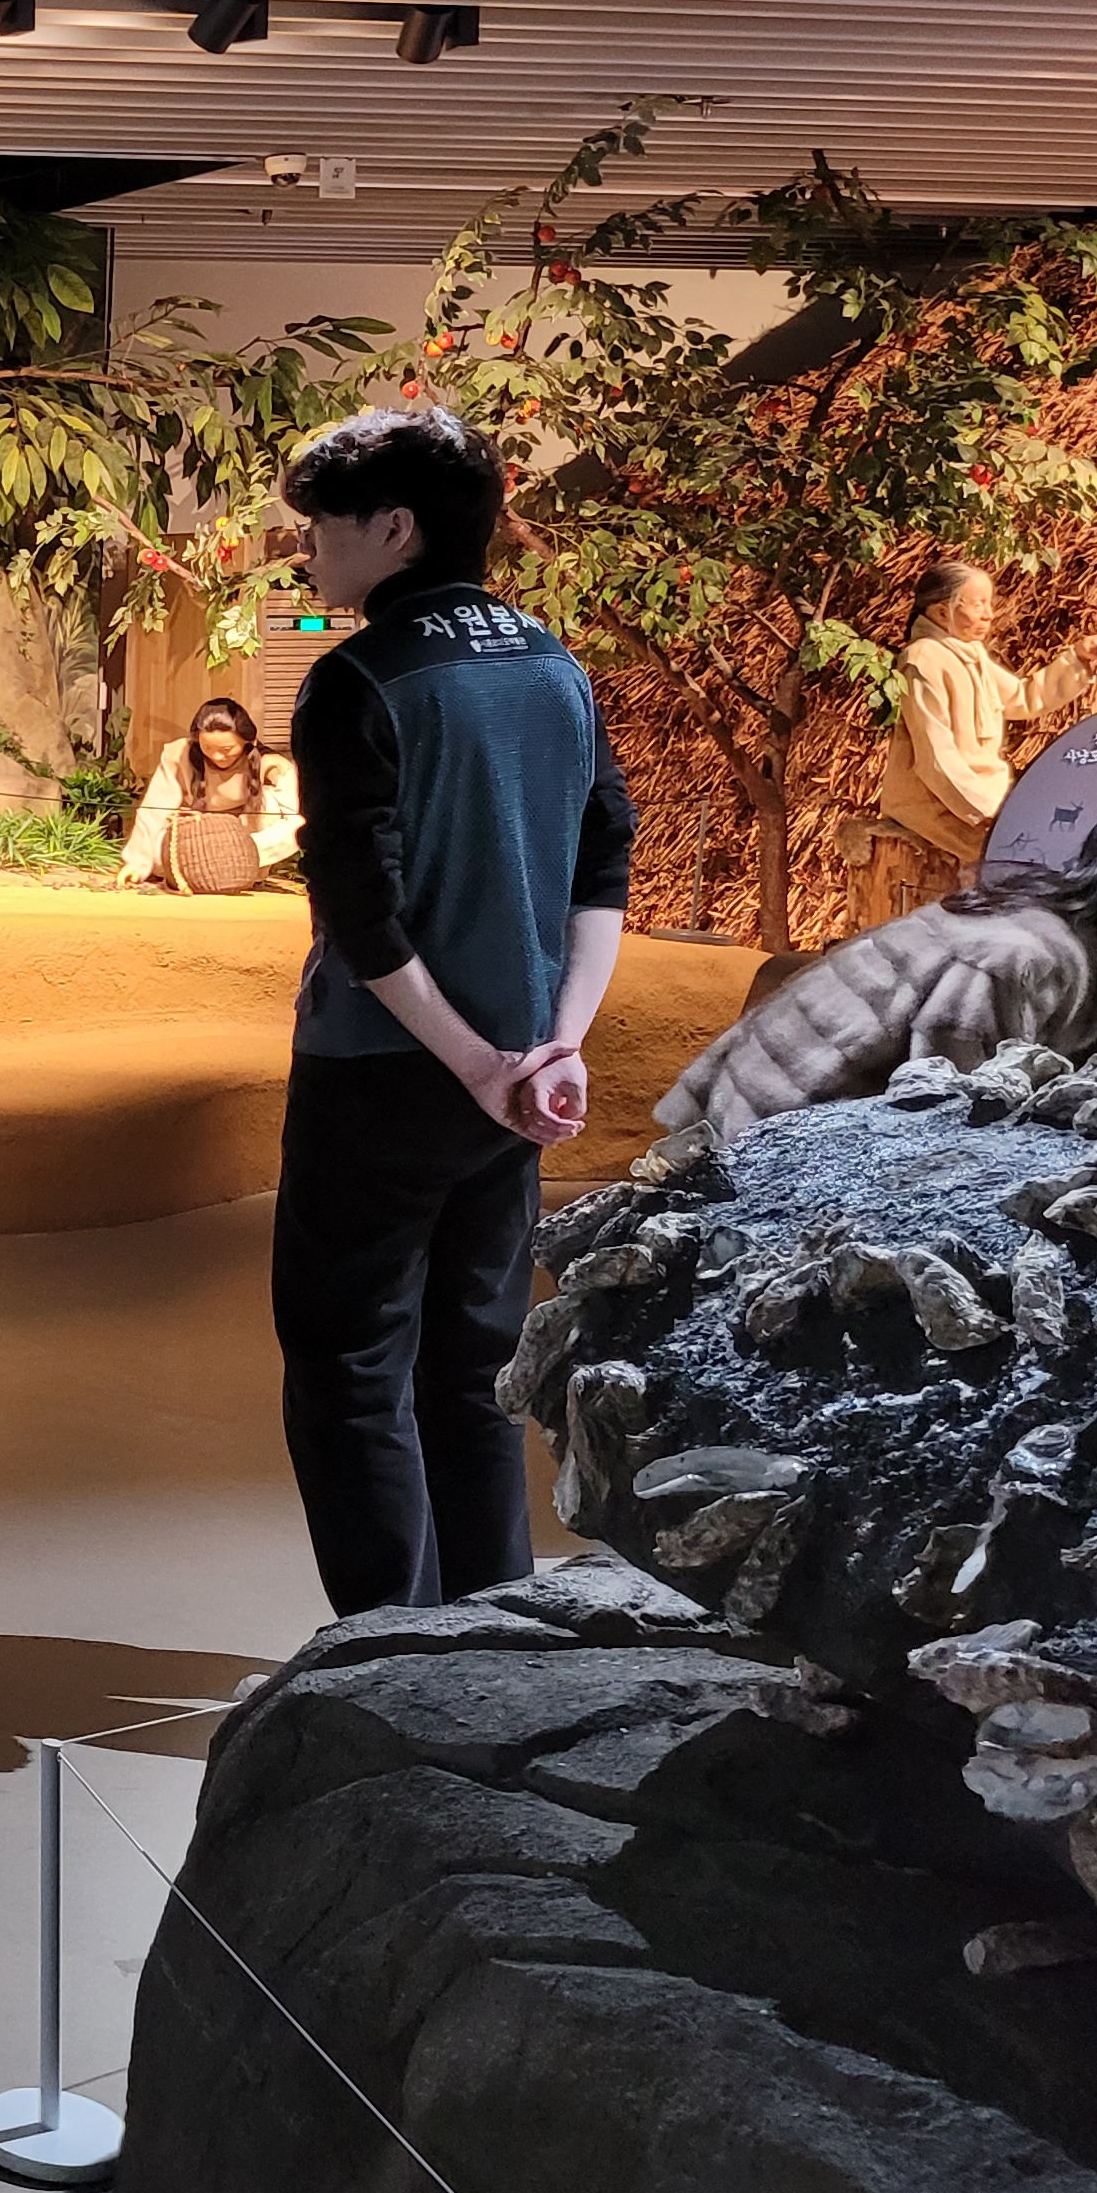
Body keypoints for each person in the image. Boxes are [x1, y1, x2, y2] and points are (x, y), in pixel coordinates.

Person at [270, 407, 637, 1621]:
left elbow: (363, 915)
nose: (309, 553)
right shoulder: (556, 667)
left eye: (323, 528)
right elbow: (603, 865)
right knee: (474, 1366)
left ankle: (389, 1648)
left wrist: (474, 1061)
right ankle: (490, 1637)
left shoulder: (358, 679)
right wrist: (554, 1045)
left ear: (395, 529)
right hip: (522, 1080)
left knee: (348, 1364)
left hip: (383, 1071)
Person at [660, 798, 1097, 1141]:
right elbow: (949, 1105)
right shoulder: (1023, 954)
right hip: (771, 1134)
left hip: (773, 1117)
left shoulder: (1053, 933)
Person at [862, 561, 1097, 926]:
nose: (989, 613)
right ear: (942, 612)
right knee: (1019, 861)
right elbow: (937, 760)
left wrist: (1079, 656)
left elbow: (1023, 697)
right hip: (937, 804)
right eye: (978, 604)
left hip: (983, 797)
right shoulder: (923, 660)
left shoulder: (969, 656)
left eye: (989, 603)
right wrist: (991, 813)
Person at [120, 697, 305, 893]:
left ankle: (239, 870)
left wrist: (243, 850)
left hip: (243, 842)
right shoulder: (179, 754)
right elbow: (155, 809)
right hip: (194, 839)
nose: (217, 756)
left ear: (248, 741)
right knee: (159, 857)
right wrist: (138, 863)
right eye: (207, 748)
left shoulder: (272, 765)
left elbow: (297, 821)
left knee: (274, 808)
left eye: (226, 750)